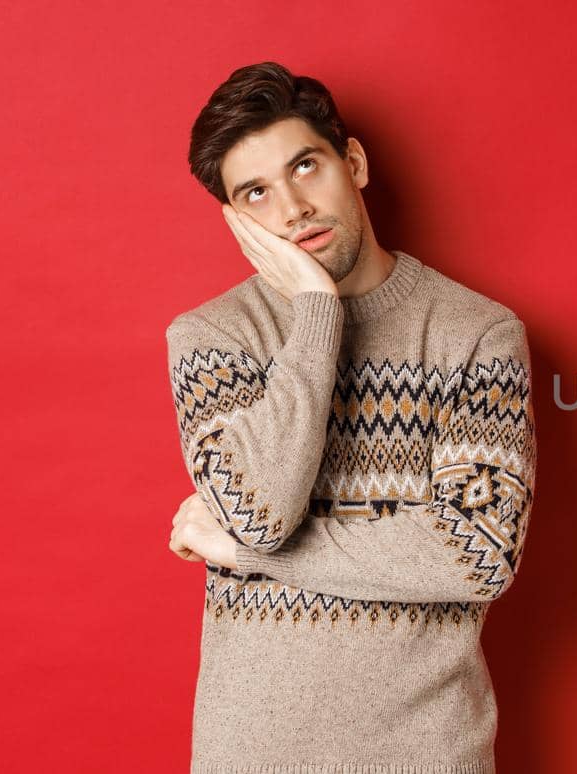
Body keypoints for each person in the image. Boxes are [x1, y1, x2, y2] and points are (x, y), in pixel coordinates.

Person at [165, 60, 536, 773]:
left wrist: (246, 559)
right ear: (236, 219)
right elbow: (260, 514)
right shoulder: (213, 338)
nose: (293, 208)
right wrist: (315, 310)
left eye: (306, 166)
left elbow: (477, 553)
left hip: (427, 752)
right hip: (250, 755)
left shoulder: (476, 335)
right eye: (257, 193)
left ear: (354, 162)